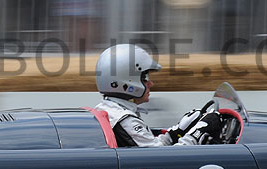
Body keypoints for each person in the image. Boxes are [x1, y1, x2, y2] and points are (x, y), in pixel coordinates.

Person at [92, 44, 223, 147]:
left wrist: (175, 133)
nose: (151, 83)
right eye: (144, 78)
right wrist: (197, 134)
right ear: (126, 82)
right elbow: (162, 160)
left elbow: (154, 147)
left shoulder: (109, 110)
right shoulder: (125, 121)